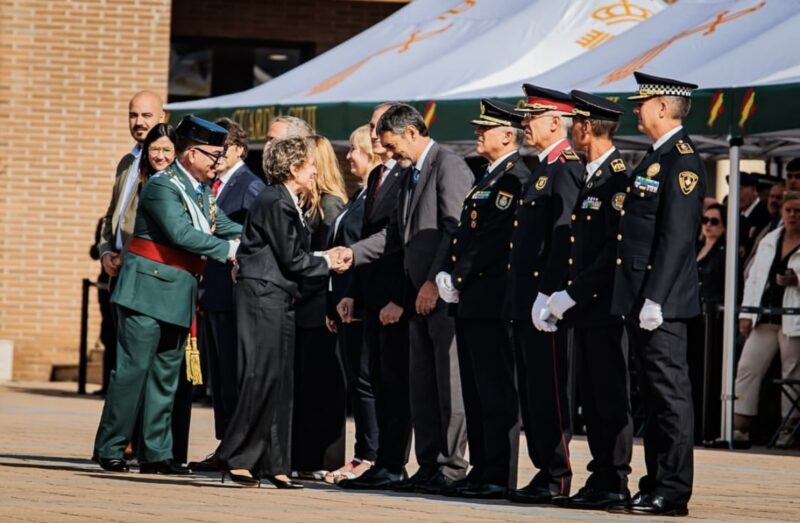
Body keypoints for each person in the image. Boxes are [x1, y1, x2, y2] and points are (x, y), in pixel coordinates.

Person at [93, 115, 242, 475]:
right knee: (132, 371)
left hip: (177, 291)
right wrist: (230, 251)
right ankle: (111, 446)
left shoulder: (200, 191)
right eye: (212, 155)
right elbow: (182, 234)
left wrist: (265, 235)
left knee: (165, 375)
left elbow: (225, 225)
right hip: (145, 290)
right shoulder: (163, 186)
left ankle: (157, 453)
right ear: (191, 153)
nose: (216, 162)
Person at [337, 103, 472, 494]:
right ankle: (428, 466)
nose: (390, 152)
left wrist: (433, 280)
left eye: (393, 144)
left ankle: (451, 467)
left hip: (439, 295)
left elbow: (454, 229)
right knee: (424, 389)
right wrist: (353, 254)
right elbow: (394, 236)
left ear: (413, 132)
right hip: (417, 298)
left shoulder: (447, 165)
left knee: (448, 388)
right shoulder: (410, 172)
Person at [216, 136, 345, 488]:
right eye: (309, 165)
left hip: (280, 297)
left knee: (280, 382)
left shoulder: (288, 201)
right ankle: (236, 456)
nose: (315, 169)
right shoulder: (275, 201)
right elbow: (292, 258)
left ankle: (275, 462)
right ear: (293, 169)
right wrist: (329, 260)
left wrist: (321, 259)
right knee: (259, 375)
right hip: (263, 296)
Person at [608, 72, 706, 517]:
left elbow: (677, 237)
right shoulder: (656, 157)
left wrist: (657, 298)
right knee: (652, 396)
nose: (635, 110)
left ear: (663, 108)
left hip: (661, 303)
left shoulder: (681, 161)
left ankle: (673, 490)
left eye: (642, 103)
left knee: (670, 398)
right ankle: (654, 483)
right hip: (641, 297)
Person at [542, 90, 633, 510]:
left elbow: (611, 252)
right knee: (592, 396)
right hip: (587, 306)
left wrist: (572, 293)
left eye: (574, 122)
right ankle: (600, 475)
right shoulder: (593, 174)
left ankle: (614, 479)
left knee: (610, 395)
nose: (571, 129)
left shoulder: (617, 177)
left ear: (584, 127)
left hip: (605, 304)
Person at [434, 99, 528, 499]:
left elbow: (493, 239)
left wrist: (456, 274)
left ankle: (498, 473)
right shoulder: (487, 176)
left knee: (495, 391)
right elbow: (465, 233)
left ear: (508, 135)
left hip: (493, 298)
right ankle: (481, 467)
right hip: (472, 298)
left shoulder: (514, 176)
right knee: (475, 390)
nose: (477, 134)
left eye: (483, 129)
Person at [504, 84, 582, 505]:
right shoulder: (541, 167)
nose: (523, 125)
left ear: (555, 122)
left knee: (549, 390)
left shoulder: (566, 167)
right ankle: (543, 468)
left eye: (530, 118)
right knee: (532, 391)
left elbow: (564, 237)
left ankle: (558, 472)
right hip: (525, 298)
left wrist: (550, 293)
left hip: (545, 302)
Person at [336, 103, 413, 491]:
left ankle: (391, 461)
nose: (372, 134)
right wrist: (350, 291)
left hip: (394, 298)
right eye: (370, 127)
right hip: (368, 295)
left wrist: (400, 296)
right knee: (376, 381)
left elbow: (406, 243)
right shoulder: (379, 175)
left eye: (377, 127)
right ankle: (380, 461)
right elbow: (362, 240)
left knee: (393, 384)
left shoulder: (408, 174)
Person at [189, 118, 266, 472]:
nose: (216, 155)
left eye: (222, 148)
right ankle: (225, 445)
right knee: (219, 378)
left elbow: (253, 236)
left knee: (234, 375)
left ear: (237, 148)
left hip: (233, 293)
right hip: (211, 292)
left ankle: (238, 448)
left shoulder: (249, 186)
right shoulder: (211, 184)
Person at [97, 90, 165, 395]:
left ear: (162, 118)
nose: (139, 122)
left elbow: (155, 222)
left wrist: (129, 254)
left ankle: (136, 438)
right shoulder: (127, 161)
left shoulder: (166, 165)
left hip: (145, 273)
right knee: (121, 359)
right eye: (133, 115)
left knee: (141, 365)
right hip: (118, 272)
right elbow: (112, 214)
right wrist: (106, 251)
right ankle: (124, 436)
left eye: (146, 115)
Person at [324, 124, 381, 484]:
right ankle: (362, 453)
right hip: (344, 303)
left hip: (359, 302)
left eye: (355, 150)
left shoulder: (373, 197)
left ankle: (369, 455)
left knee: (365, 382)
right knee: (357, 383)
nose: (349, 157)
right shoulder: (359, 196)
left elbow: (365, 250)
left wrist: (352, 297)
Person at [291, 135, 348, 478]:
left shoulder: (329, 206)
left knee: (321, 387)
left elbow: (334, 260)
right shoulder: (309, 204)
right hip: (304, 306)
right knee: (307, 385)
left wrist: (329, 306)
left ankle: (319, 459)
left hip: (319, 308)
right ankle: (305, 455)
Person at [736, 191, 800, 449]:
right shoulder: (770, 239)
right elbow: (753, 278)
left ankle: (789, 428)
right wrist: (745, 313)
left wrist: (796, 281)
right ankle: (739, 426)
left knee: (792, 373)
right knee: (747, 368)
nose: (793, 215)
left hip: (793, 317)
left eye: (798, 211)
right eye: (789, 210)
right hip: (764, 315)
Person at [689, 203, 727, 444]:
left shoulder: (725, 251)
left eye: (714, 221)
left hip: (714, 319)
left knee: (709, 372)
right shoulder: (697, 247)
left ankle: (708, 427)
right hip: (694, 315)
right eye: (705, 220)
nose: (709, 226)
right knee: (692, 370)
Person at [738, 172, 772, 260]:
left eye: (740, 189)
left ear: (753, 189)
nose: (735, 194)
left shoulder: (763, 215)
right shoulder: (736, 215)